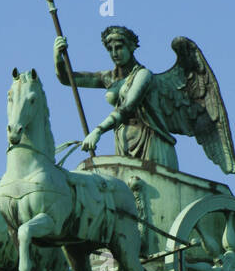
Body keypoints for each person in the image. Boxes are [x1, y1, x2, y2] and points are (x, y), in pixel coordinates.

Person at [54, 26, 178, 168]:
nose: (114, 53)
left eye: (118, 47)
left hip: (151, 142)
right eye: (110, 49)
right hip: (123, 141)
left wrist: (98, 131)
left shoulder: (143, 75)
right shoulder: (109, 78)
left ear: (131, 47)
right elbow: (68, 79)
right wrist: (57, 56)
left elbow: (127, 107)